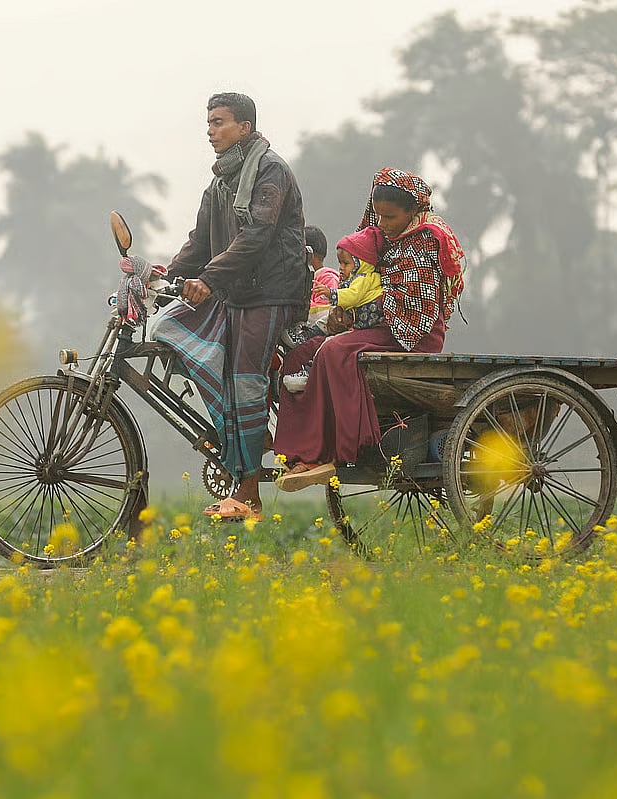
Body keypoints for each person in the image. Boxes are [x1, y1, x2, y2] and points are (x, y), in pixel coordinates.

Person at [151, 92, 309, 521]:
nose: (210, 131)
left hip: (272, 291)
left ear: (245, 127)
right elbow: (199, 242)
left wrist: (208, 279)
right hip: (236, 293)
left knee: (244, 382)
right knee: (172, 332)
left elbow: (257, 236)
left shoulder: (269, 171)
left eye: (218, 122)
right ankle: (251, 441)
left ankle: (250, 495)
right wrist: (164, 275)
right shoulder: (220, 181)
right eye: (208, 123)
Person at [274, 167, 465, 492]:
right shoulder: (378, 237)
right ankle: (297, 455)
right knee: (300, 354)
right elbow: (356, 283)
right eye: (378, 215)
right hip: (375, 324)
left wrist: (351, 317)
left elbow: (411, 308)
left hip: (410, 332)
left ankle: (331, 450)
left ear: (413, 211)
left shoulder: (426, 241)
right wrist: (340, 312)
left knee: (333, 351)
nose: (382, 223)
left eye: (390, 217)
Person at [282, 225, 386, 392]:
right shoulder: (353, 278)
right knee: (324, 328)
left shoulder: (362, 279)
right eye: (340, 263)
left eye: (346, 263)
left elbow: (352, 296)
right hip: (351, 320)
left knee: (329, 345)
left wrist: (332, 294)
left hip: (358, 324)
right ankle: (304, 337)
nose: (341, 268)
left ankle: (309, 372)